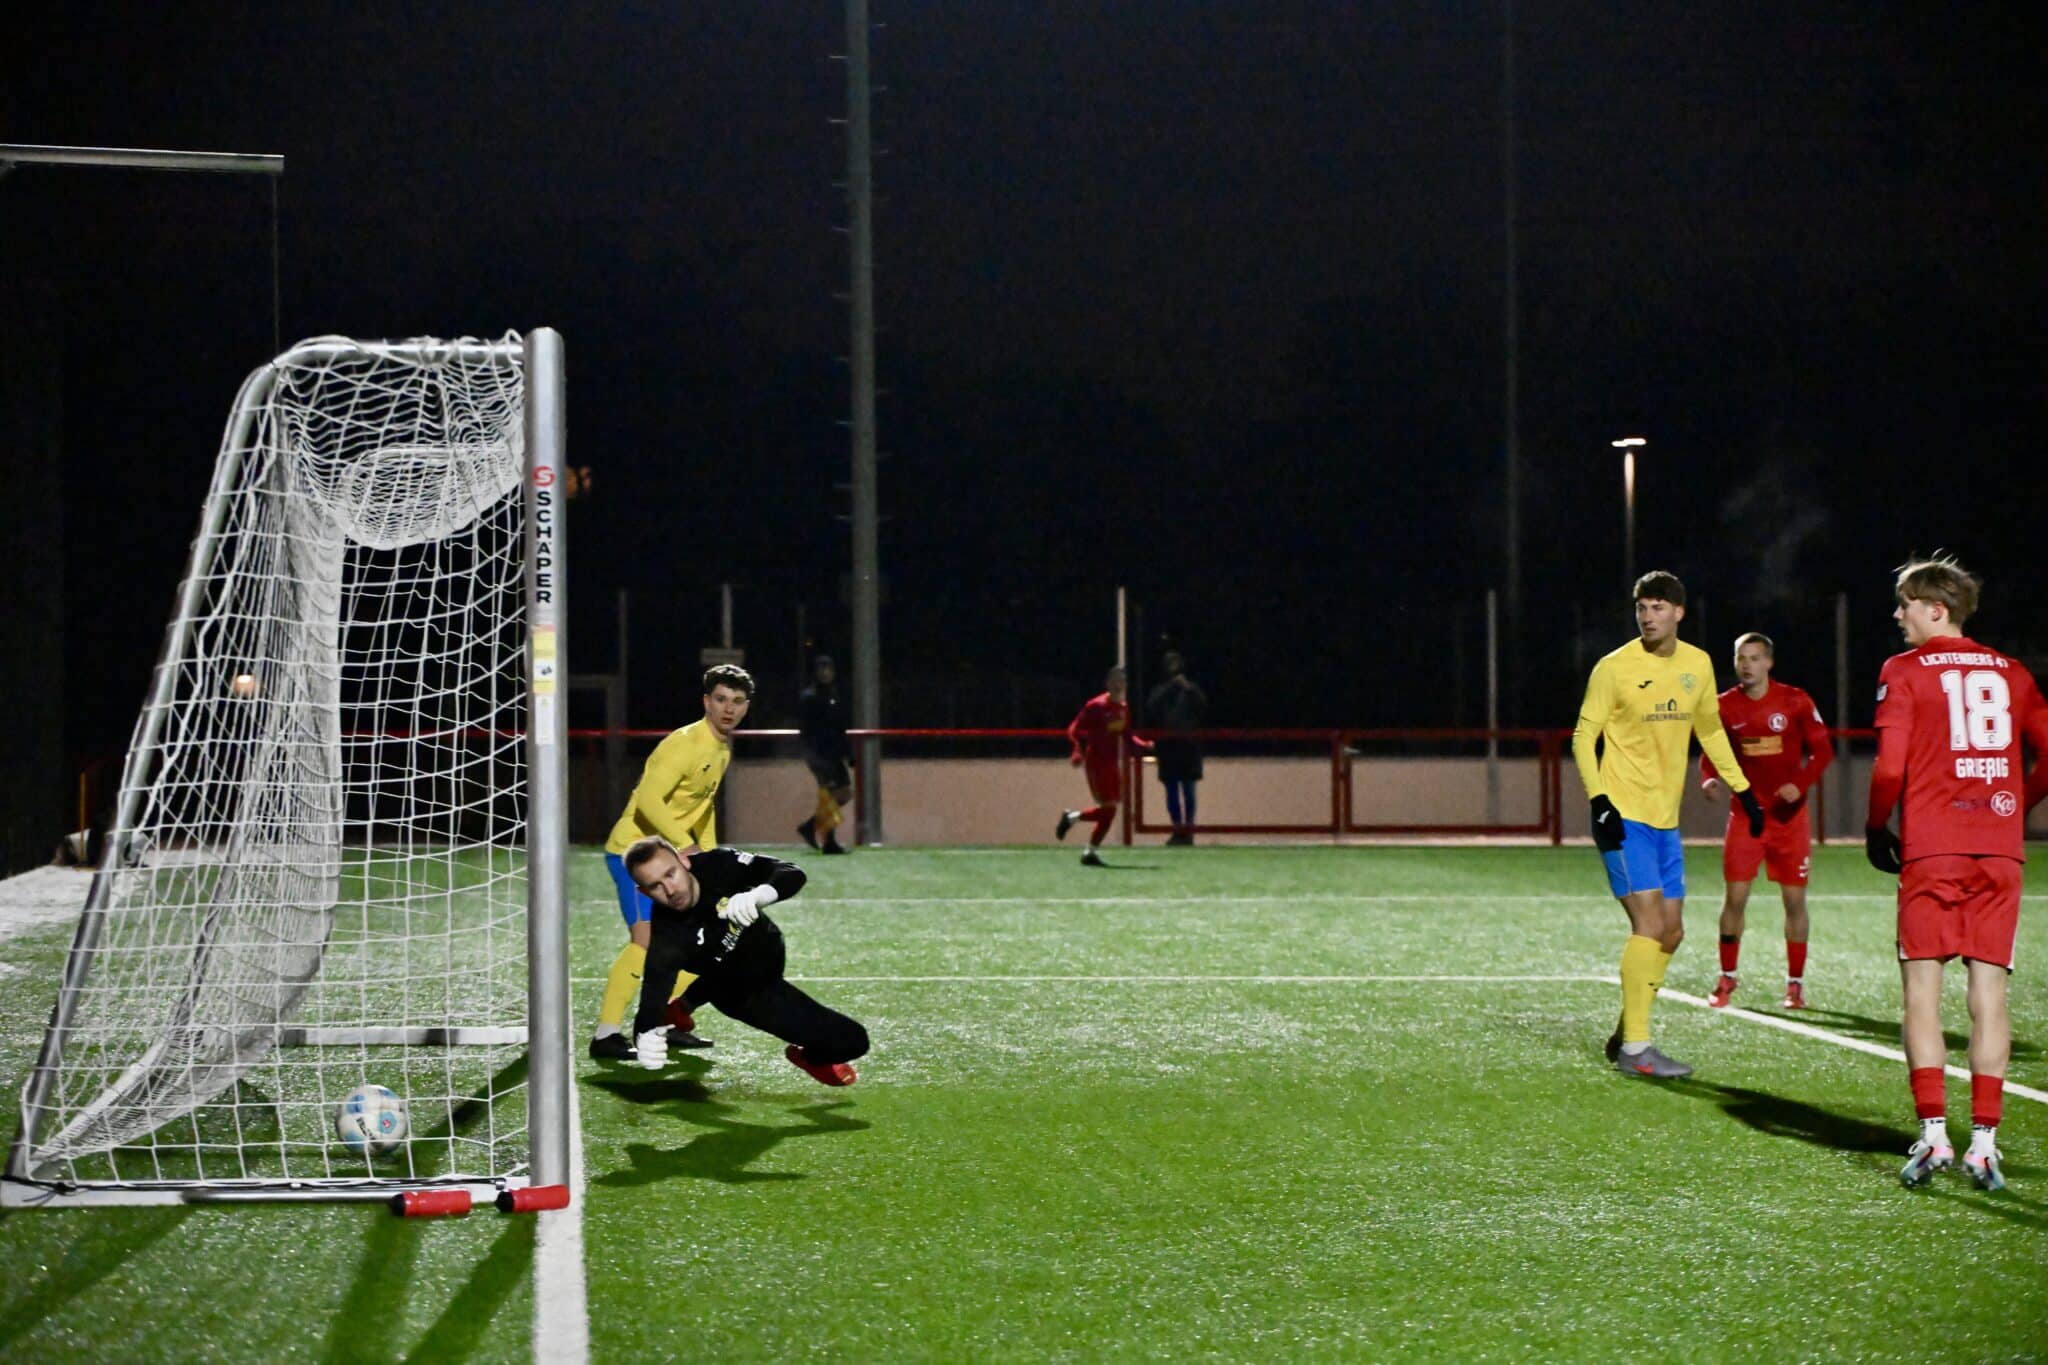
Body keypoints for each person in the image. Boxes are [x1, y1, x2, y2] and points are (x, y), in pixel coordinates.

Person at [1865, 555, 2048, 1191]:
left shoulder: (1903, 670)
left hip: (1933, 849)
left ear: (1936, 609)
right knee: (1989, 994)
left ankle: (1936, 1134)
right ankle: (1985, 1145)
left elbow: (1890, 767)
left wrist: (1876, 827)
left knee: (1922, 990)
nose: (1898, 614)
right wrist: (2015, 806)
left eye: (1905, 604)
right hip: (1998, 851)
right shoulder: (2012, 671)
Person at [1573, 571, 1763, 1079]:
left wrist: (1743, 789)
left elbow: (1710, 730)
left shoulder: (1696, 664)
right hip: (1622, 816)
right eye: (1642, 607)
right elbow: (1583, 736)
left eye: (1658, 607)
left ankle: (1626, 1031)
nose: (1648, 616)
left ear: (1679, 612)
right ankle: (1637, 1050)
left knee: (1672, 932)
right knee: (1650, 926)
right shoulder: (1614, 667)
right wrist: (1599, 801)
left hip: (1664, 821)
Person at [588, 664, 755, 1061]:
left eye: (736, 701)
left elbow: (703, 806)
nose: (728, 708)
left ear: (746, 706)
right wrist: (685, 845)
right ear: (706, 702)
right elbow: (648, 801)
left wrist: (711, 857)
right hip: (634, 855)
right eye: (720, 699)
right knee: (646, 942)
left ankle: (663, 1023)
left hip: (673, 857)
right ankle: (606, 1035)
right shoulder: (684, 744)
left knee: (701, 939)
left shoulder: (721, 749)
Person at [625, 835, 869, 1086]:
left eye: (670, 874)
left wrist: (760, 895)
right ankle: (810, 1058)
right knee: (852, 1041)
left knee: (723, 955)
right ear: (644, 892)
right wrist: (645, 1038)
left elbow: (790, 872)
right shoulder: (667, 939)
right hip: (747, 993)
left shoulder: (718, 864)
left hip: (765, 949)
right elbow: (651, 998)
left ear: (684, 861)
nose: (670, 890)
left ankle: (682, 1007)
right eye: (655, 886)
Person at [1699, 632, 1835, 1010]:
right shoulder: (1723, 706)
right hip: (1747, 817)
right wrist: (1708, 778)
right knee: (1735, 899)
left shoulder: (1795, 701)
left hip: (1789, 821)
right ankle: (1727, 977)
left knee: (1794, 902)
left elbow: (1823, 752)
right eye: (1741, 658)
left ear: (1769, 663)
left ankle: (1795, 984)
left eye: (1755, 658)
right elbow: (1711, 754)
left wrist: (1800, 785)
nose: (1747, 665)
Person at [1056, 665, 1153, 866]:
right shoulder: (1096, 706)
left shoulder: (1123, 708)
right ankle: (1073, 821)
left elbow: (1127, 736)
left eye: (1122, 681)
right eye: (1115, 681)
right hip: (1096, 763)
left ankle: (1087, 848)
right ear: (1108, 684)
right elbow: (1073, 728)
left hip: (1111, 763)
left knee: (1111, 812)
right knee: (1109, 809)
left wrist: (1143, 745)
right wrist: (1077, 749)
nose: (1118, 685)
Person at [1145, 649, 1209, 845]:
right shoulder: (1159, 690)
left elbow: (1203, 707)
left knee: (1189, 791)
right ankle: (1177, 829)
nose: (1173, 668)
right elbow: (1151, 708)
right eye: (1169, 664)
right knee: (1171, 791)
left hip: (1189, 748)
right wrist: (1170, 688)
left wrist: (1188, 688)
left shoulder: (1191, 689)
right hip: (1168, 748)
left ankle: (1188, 831)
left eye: (1175, 663)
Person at [795, 654, 853, 855]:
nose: (825, 673)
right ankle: (828, 841)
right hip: (820, 755)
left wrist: (848, 753)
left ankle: (811, 827)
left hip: (834, 754)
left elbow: (840, 728)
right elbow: (807, 731)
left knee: (843, 794)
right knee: (831, 795)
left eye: (828, 669)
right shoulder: (809, 697)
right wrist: (814, 758)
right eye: (822, 669)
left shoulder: (834, 695)